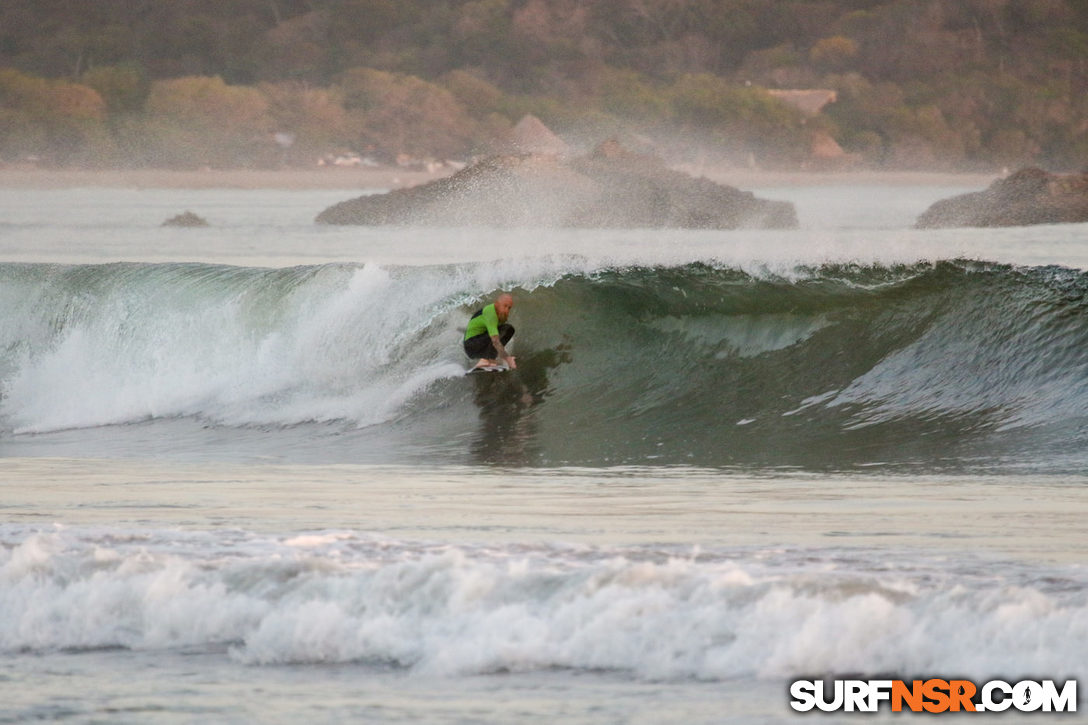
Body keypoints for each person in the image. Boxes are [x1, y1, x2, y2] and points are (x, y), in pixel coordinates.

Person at [463, 293, 517, 369]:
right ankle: (486, 360)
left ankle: (487, 359)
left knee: (507, 330)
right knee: (507, 328)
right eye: (505, 306)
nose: (506, 310)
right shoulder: (490, 313)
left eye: (509, 308)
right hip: (472, 345)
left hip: (476, 347)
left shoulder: (499, 316)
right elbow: (495, 340)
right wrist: (507, 358)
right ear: (497, 304)